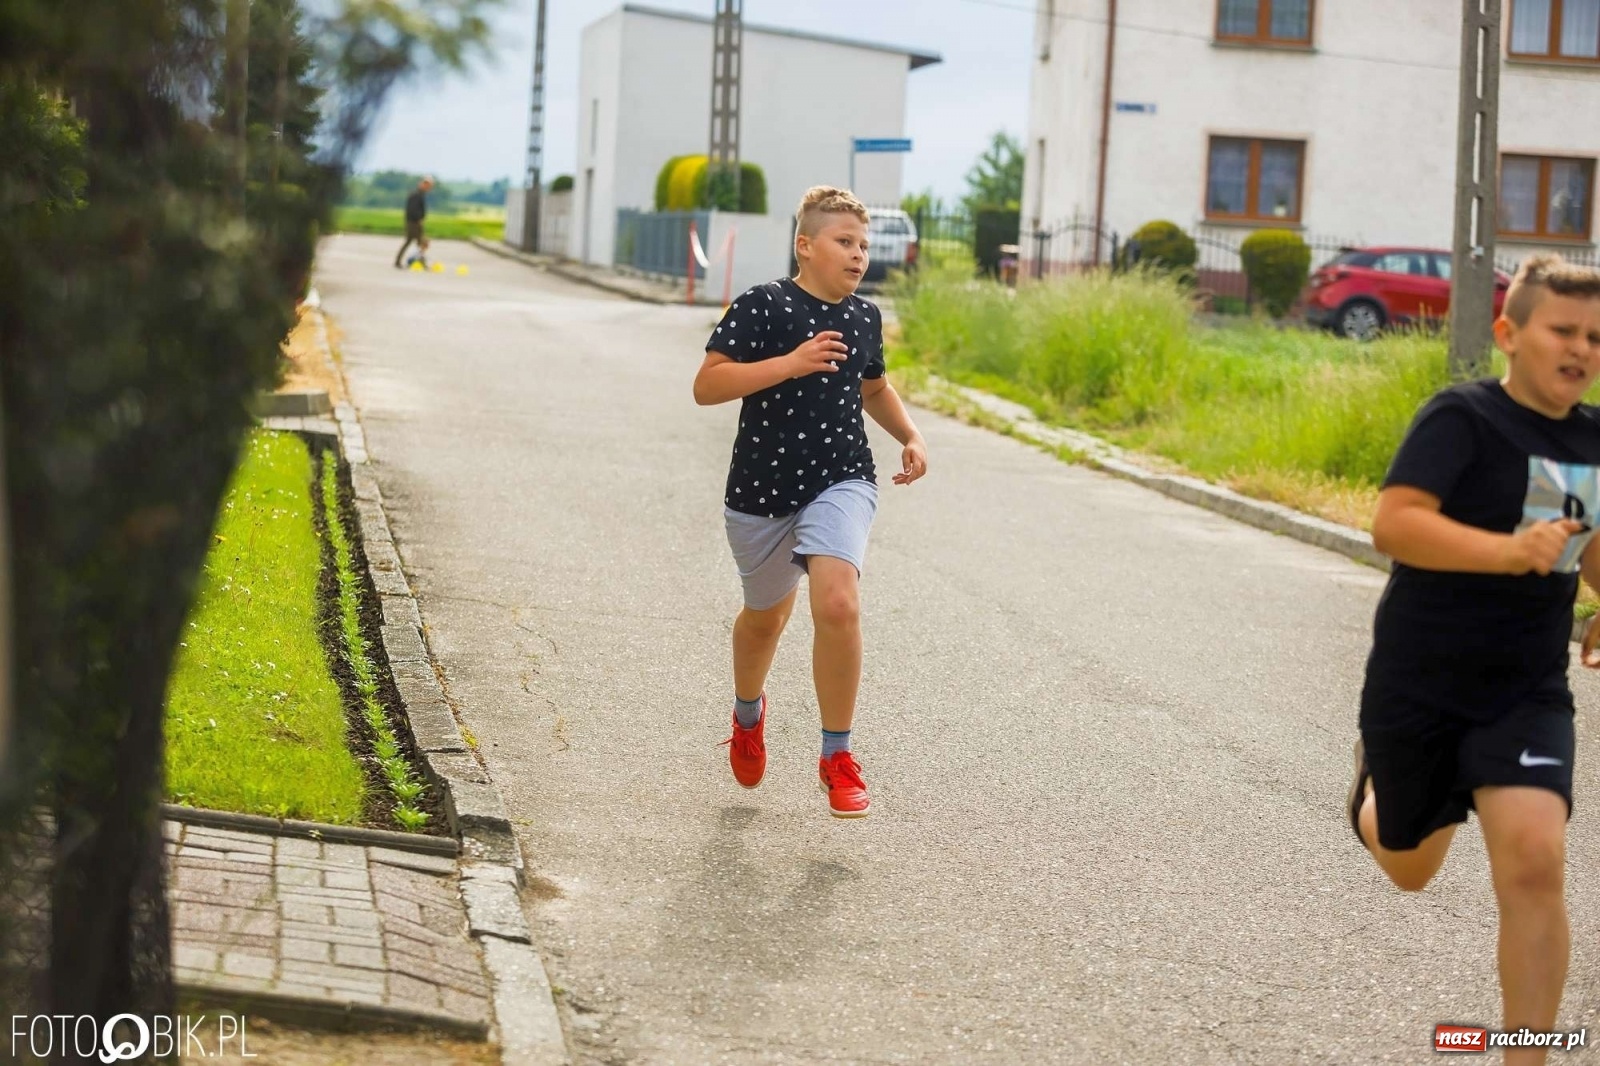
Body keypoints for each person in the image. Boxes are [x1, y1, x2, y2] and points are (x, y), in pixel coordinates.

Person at [1349, 254, 1600, 1065]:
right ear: (1510, 333)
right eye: (1563, 330)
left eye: (1596, 337)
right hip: (1420, 682)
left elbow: (1584, 539)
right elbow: (1395, 524)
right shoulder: (1462, 418)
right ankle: (1376, 788)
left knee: (1535, 857)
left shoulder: (1593, 440)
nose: (1581, 349)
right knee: (1410, 867)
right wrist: (1506, 552)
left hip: (1525, 690)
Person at [692, 186, 928, 818]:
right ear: (806, 245)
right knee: (765, 620)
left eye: (863, 246)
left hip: (841, 477)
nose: (858, 256)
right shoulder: (764, 305)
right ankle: (748, 715)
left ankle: (837, 754)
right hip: (761, 492)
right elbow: (708, 385)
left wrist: (907, 434)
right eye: (844, 242)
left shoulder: (864, 317)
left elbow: (873, 387)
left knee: (838, 601)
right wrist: (791, 363)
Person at [394, 175, 434, 269]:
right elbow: (412, 210)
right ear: (423, 184)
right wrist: (419, 219)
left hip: (415, 222)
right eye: (428, 185)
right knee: (420, 242)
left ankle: (419, 262)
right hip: (413, 223)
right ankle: (401, 261)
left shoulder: (420, 194)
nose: (429, 188)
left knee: (421, 243)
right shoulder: (415, 195)